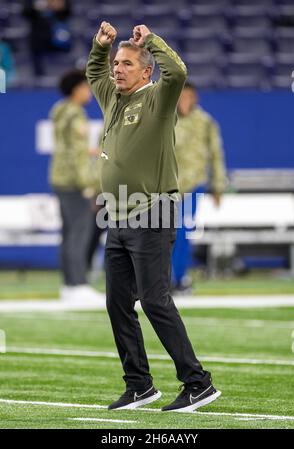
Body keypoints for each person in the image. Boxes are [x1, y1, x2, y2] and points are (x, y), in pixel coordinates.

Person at [86, 21, 221, 412]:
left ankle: (198, 383)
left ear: (146, 71)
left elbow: (178, 71)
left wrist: (152, 42)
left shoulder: (159, 100)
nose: (117, 69)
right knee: (117, 303)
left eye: (126, 64)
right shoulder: (112, 98)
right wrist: (100, 47)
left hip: (153, 211)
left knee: (156, 300)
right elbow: (95, 70)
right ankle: (140, 385)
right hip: (118, 216)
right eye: (117, 64)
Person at [49, 69, 104, 303]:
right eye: (86, 87)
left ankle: (69, 284)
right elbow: (76, 155)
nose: (89, 92)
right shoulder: (75, 115)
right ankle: (78, 284)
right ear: (77, 89)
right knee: (79, 233)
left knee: (69, 233)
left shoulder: (60, 110)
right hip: (73, 181)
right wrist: (88, 185)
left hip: (60, 178)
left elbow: (70, 148)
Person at [172, 82, 227, 292]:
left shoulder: (204, 122)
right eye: (181, 97)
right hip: (167, 187)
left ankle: (179, 277)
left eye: (189, 97)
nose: (185, 101)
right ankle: (164, 279)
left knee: (184, 232)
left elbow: (216, 154)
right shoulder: (166, 119)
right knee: (166, 234)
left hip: (193, 186)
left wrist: (218, 186)